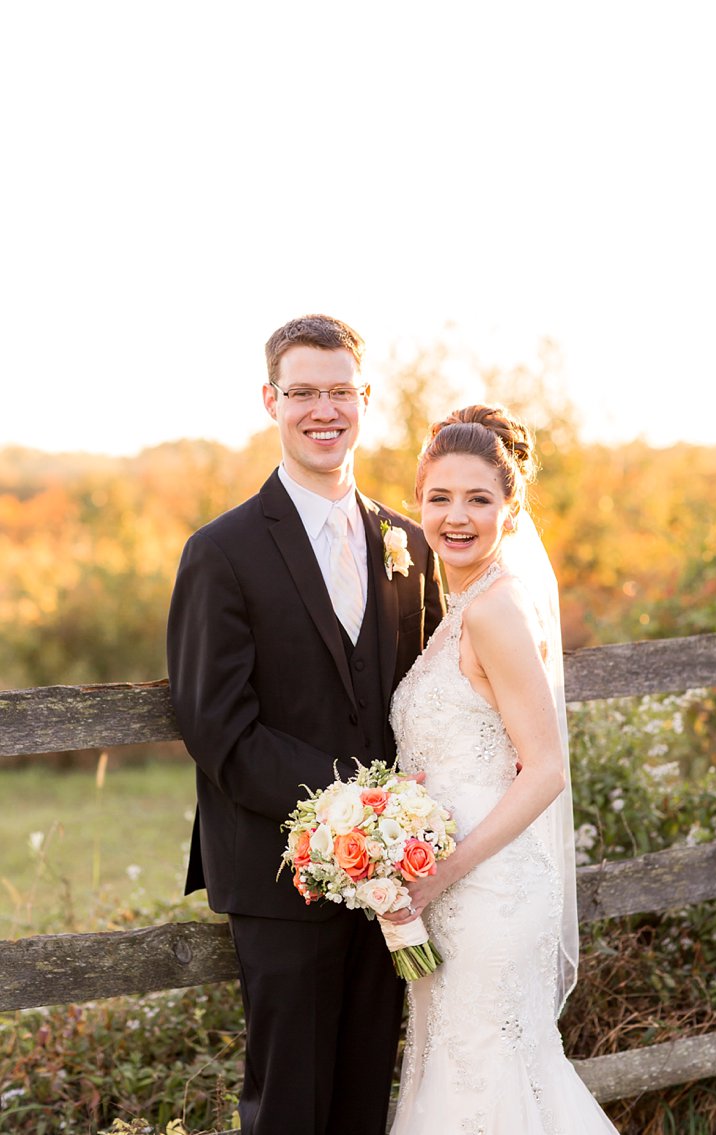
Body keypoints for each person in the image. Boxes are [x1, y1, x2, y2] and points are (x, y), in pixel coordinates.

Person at [167, 314, 444, 1134]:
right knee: (288, 1103)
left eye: (340, 391)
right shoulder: (221, 551)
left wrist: (398, 837)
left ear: (366, 399)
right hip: (280, 872)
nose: (323, 410)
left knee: (366, 1091)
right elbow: (218, 727)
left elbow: (420, 700)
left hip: (392, 878)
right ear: (270, 400)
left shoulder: (407, 542)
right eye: (302, 392)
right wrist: (348, 816)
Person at [383, 405, 616, 1132]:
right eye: (440, 497)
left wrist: (444, 870)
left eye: (478, 499)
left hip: (489, 896)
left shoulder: (497, 611)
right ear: (419, 500)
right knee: (452, 1078)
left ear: (509, 509)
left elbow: (544, 770)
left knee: (487, 1083)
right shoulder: (460, 610)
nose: (457, 516)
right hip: (441, 893)